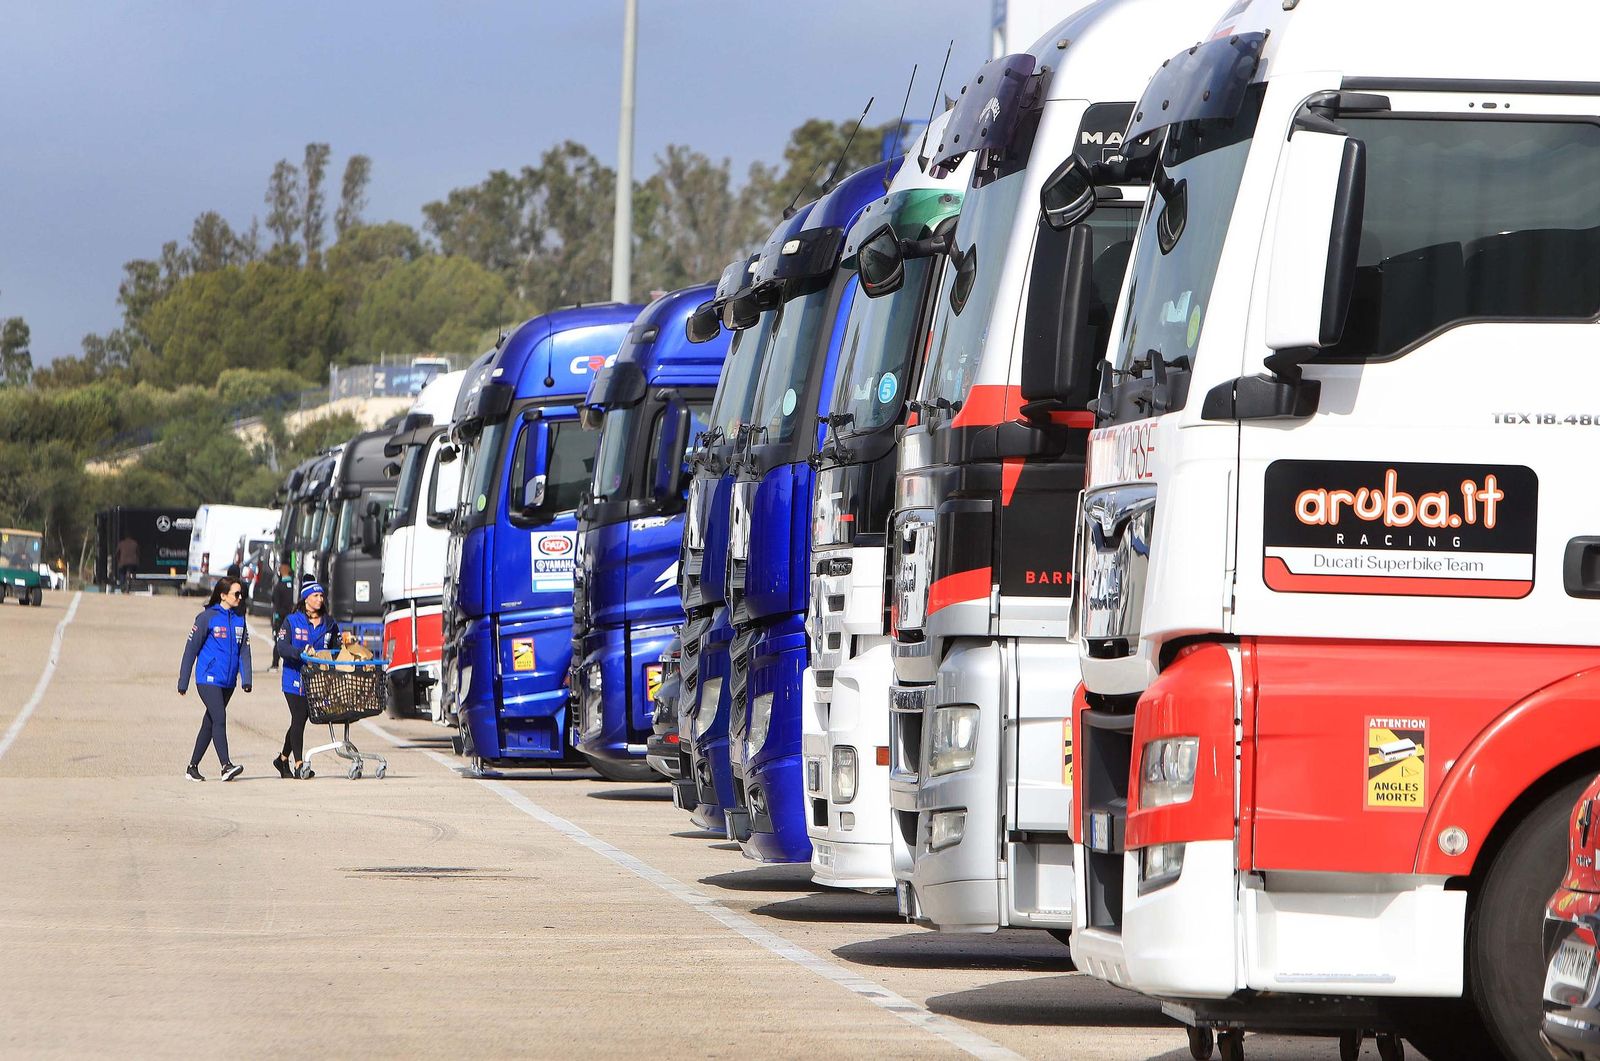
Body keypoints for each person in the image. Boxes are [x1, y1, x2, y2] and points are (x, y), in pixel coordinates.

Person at [177, 576, 252, 781]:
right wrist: (183, 681)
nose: (240, 597)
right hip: (208, 679)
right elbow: (190, 650)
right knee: (219, 718)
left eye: (241, 593)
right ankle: (225, 765)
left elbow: (244, 650)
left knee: (210, 722)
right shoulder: (207, 617)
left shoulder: (239, 619)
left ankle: (192, 767)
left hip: (228, 682)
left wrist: (247, 679)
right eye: (236, 593)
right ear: (223, 595)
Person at [273, 581, 350, 779]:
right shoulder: (292, 621)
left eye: (321, 596)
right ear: (306, 598)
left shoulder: (329, 623)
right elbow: (282, 648)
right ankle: (299, 764)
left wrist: (349, 646)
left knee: (301, 719)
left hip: (317, 681)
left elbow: (337, 650)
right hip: (294, 678)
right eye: (315, 596)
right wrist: (301, 653)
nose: (319, 599)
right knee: (299, 717)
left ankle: (282, 760)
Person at [269, 561, 295, 671]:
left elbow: (275, 602)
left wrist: (275, 618)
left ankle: (275, 664)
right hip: (293, 618)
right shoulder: (295, 586)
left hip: (281, 618)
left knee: (279, 640)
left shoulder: (279, 586)